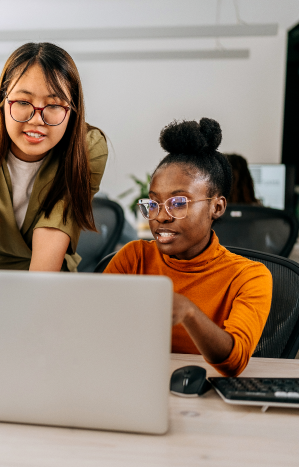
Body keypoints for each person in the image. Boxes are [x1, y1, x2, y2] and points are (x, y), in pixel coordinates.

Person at [104, 118, 272, 377]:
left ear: (217, 207)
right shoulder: (134, 257)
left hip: (207, 392)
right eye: (154, 203)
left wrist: (189, 312)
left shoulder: (249, 276)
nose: (160, 216)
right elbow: (96, 328)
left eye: (179, 202)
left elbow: (234, 362)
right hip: (134, 380)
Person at [0, 42, 108, 272]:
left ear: (72, 110)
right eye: (22, 102)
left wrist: (29, 305)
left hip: (49, 283)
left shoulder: (87, 148)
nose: (37, 119)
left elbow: (54, 230)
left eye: (54, 105)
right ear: (2, 101)